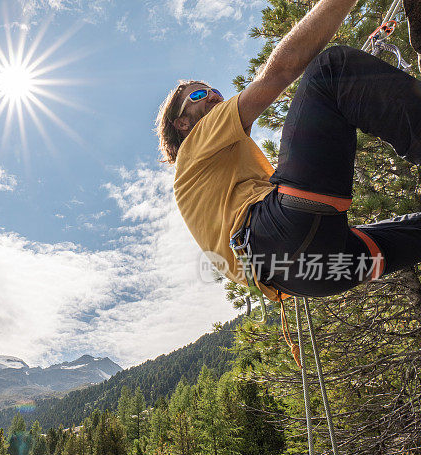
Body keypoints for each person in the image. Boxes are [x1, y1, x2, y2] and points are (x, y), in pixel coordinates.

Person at [157, 0, 421, 300]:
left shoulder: (206, 174)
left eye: (215, 91)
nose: (214, 97)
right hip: (278, 237)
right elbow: (279, 73)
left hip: (308, 276)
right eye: (199, 94)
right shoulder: (195, 141)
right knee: (330, 71)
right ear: (181, 123)